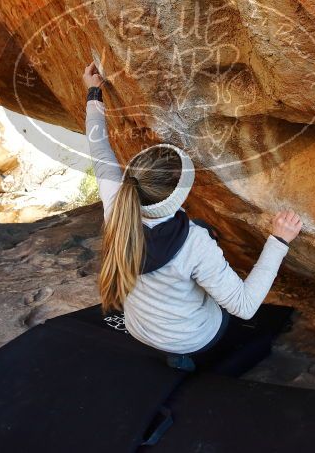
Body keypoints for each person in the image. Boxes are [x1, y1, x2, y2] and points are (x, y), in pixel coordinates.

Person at [82, 62, 302, 371]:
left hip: (138, 327)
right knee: (220, 306)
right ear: (178, 199)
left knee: (197, 245)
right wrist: (279, 240)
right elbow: (245, 307)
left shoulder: (115, 203)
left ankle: (167, 348)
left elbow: (99, 148)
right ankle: (181, 361)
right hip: (189, 338)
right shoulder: (195, 245)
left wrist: (93, 92)